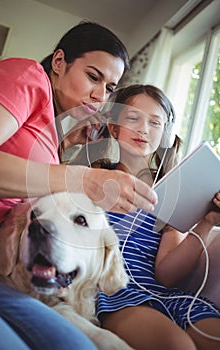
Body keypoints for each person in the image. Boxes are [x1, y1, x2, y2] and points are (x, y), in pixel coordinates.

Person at [0, 21, 157, 349]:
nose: (100, 95)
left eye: (110, 88)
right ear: (60, 62)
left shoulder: (54, 138)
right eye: (94, 77)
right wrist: (83, 179)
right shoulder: (27, 76)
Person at [74, 84, 220, 350]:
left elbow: (166, 275)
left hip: (166, 295)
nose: (144, 129)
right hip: (116, 293)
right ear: (114, 128)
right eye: (133, 118)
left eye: (155, 123)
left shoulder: (172, 191)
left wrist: (207, 221)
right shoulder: (91, 180)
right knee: (178, 346)